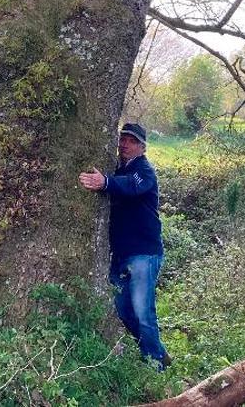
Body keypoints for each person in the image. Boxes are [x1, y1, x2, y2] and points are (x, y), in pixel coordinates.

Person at [78, 122, 169, 370]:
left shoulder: (144, 171)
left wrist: (106, 182)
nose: (125, 144)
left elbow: (132, 185)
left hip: (143, 254)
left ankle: (156, 366)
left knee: (142, 312)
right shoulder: (119, 168)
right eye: (123, 139)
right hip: (120, 254)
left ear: (142, 147)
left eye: (132, 141)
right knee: (122, 310)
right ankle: (158, 352)